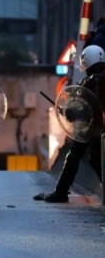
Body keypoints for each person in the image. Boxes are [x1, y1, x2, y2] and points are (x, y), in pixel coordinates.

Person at [34, 45, 105, 203]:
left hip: (90, 128)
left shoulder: (93, 81)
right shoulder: (99, 78)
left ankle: (60, 192)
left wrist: (70, 112)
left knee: (75, 157)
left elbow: (90, 106)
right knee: (92, 158)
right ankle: (60, 191)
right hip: (96, 128)